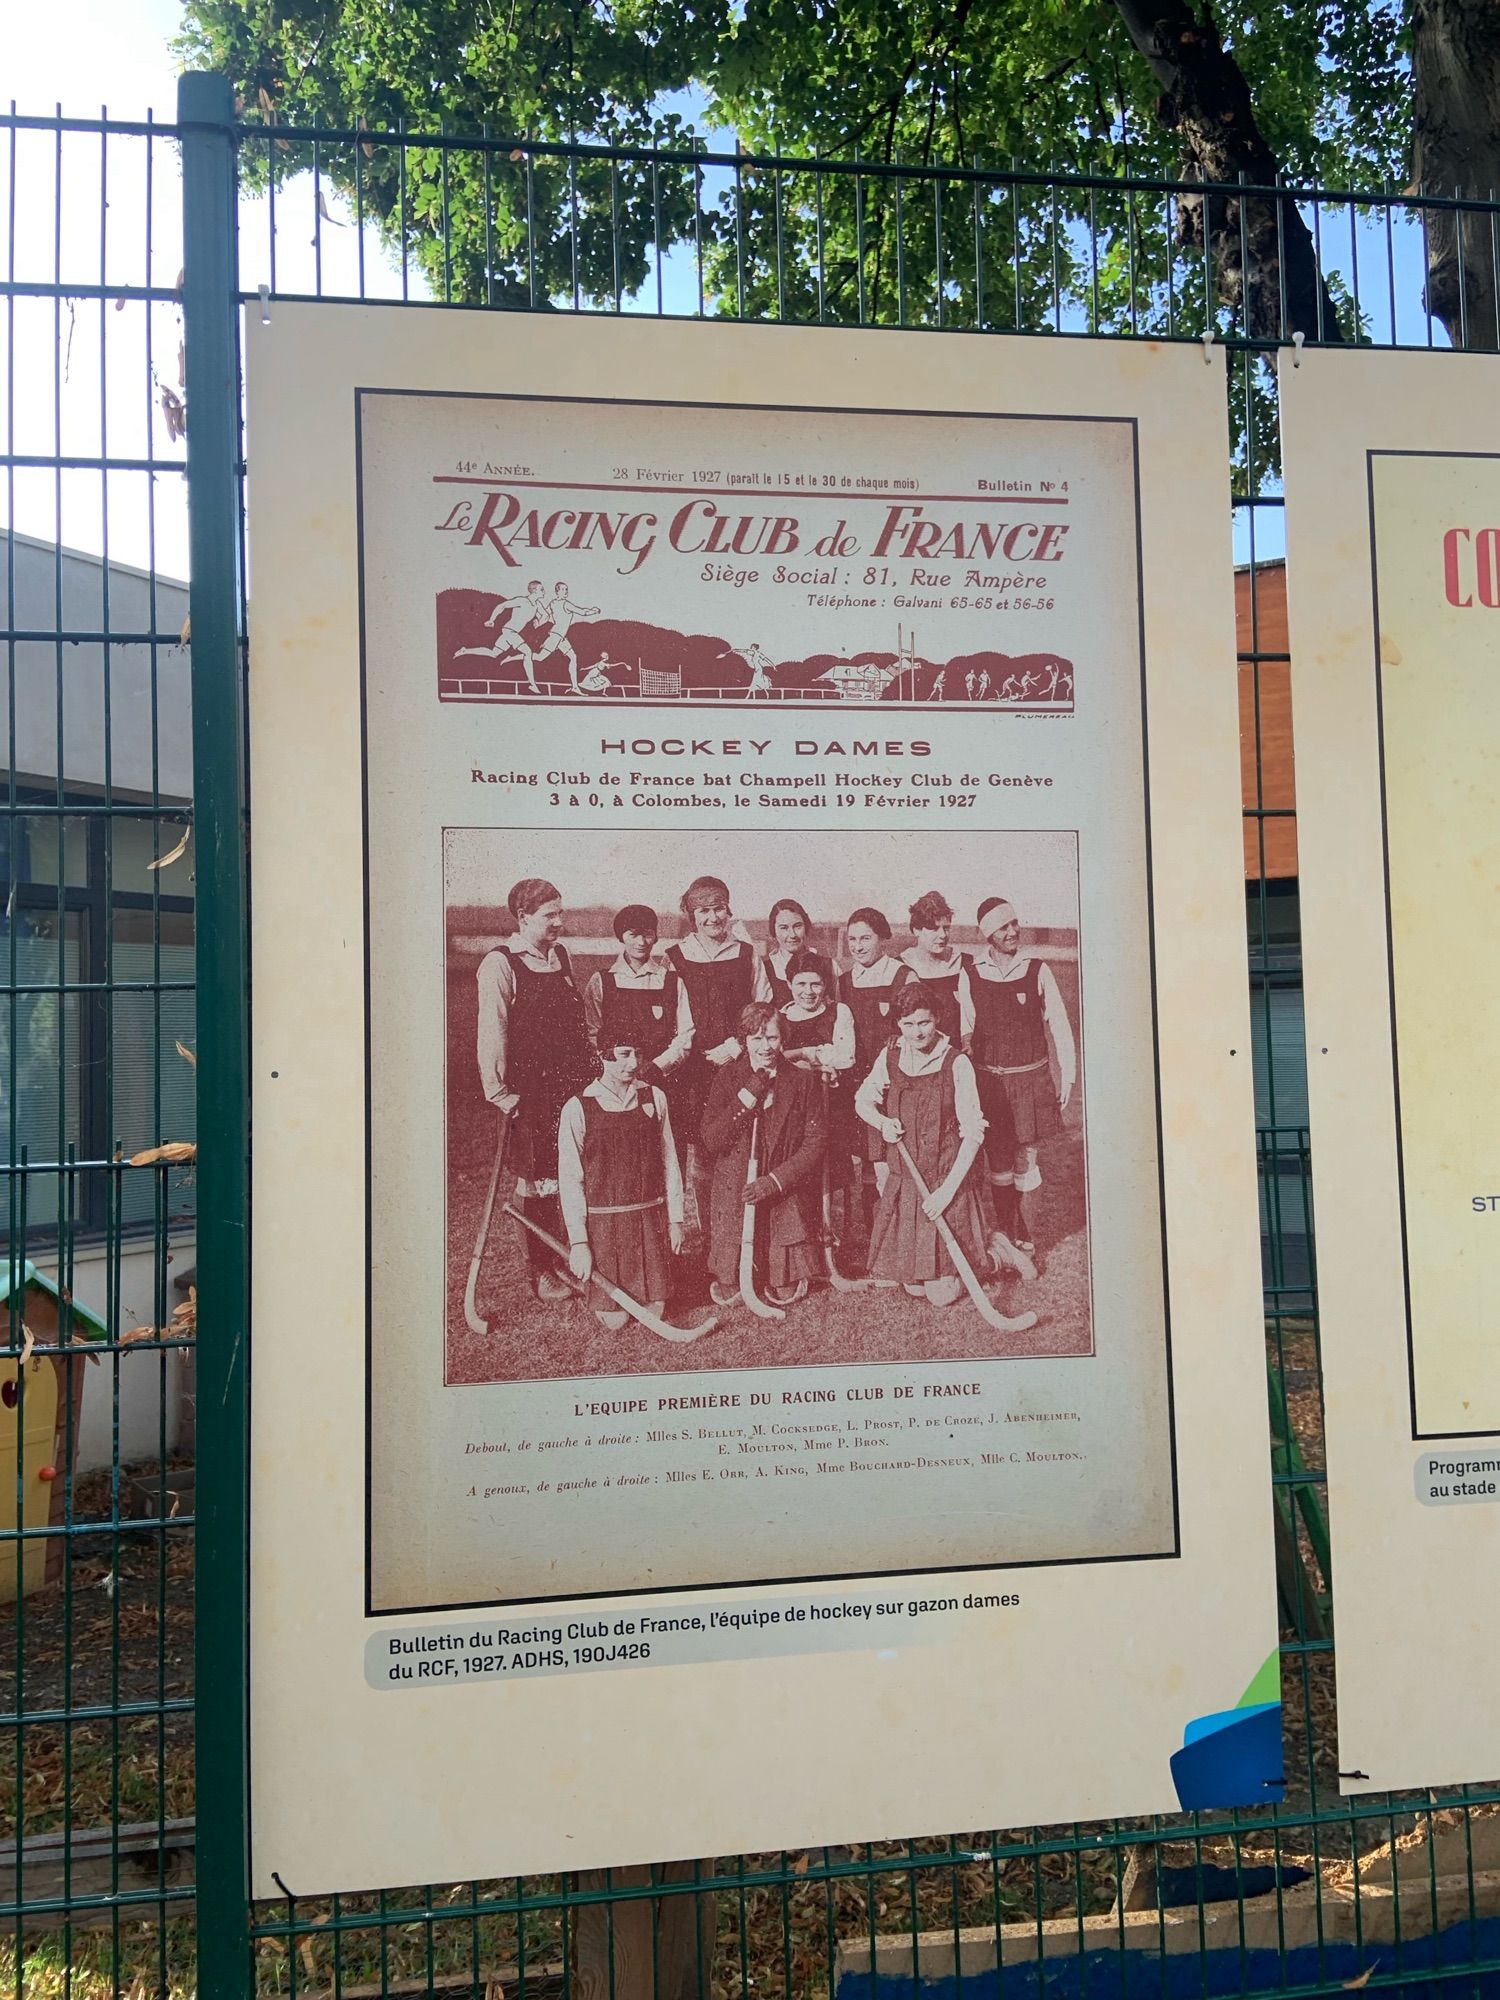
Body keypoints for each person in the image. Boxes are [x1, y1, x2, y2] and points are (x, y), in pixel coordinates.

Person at [475, 878, 596, 1300]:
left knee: (570, 1175)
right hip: (530, 1094)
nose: (559, 923)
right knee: (537, 1181)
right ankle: (541, 1270)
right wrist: (502, 1095)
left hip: (572, 1088)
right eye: (550, 916)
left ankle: (565, 1257)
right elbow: (493, 1034)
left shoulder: (559, 956)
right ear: (523, 918)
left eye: (561, 913)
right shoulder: (500, 963)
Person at [855, 990, 990, 1308]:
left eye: (925, 1022)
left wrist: (946, 1193)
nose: (917, 1031)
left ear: (937, 1019)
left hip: (945, 1184)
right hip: (908, 1186)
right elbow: (863, 1099)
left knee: (940, 1296)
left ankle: (996, 1255)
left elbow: (973, 1134)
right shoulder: (890, 1056)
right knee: (914, 1289)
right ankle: (983, 1254)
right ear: (899, 1024)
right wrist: (882, 1123)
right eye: (909, 1023)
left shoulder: (956, 1062)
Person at [969, 895, 1077, 1268]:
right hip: (991, 1084)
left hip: (1030, 1080)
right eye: (1003, 926)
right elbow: (965, 1030)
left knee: (1026, 1158)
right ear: (987, 934)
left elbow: (1060, 1025)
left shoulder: (1037, 970)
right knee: (997, 1160)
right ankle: (1005, 1233)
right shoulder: (972, 973)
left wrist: (1069, 1073)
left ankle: (1027, 1238)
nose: (1013, 931)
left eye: (1014, 923)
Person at [702, 1003, 827, 1307]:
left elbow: (814, 1144)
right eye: (756, 1039)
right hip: (737, 1192)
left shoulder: (802, 1081)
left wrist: (773, 1181)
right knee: (731, 1288)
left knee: (785, 1286)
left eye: (772, 1038)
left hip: (781, 1190)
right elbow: (712, 1140)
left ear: (783, 1038)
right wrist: (751, 1090)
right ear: (744, 1040)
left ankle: (780, 1268)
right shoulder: (727, 1078)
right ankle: (734, 1268)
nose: (765, 1047)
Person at [557, 1037, 685, 1331]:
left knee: (655, 1313)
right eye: (624, 1054)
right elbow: (570, 1179)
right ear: (603, 1056)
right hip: (604, 1230)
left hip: (648, 1221)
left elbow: (670, 1162)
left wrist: (676, 1220)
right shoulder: (578, 1107)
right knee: (616, 1321)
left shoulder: (655, 1097)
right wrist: (579, 1243)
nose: (634, 1063)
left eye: (639, 1054)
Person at [665, 877, 771, 1230]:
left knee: (738, 1148)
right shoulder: (675, 957)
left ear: (729, 910)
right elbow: (671, 1018)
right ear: (691, 915)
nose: (713, 918)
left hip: (736, 1068)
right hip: (691, 1072)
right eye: (704, 911)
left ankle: (739, 1232)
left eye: (719, 909)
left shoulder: (745, 954)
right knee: (700, 1156)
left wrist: (737, 1045)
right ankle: (710, 1235)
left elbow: (764, 1008)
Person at [839, 907, 906, 1213]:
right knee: (865, 1158)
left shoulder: (901, 974)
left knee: (887, 1160)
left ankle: (892, 1228)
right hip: (855, 1083)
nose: (858, 946)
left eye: (865, 937)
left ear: (883, 939)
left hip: (890, 1084)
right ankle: (869, 1231)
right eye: (853, 939)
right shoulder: (843, 981)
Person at [583, 904, 693, 1088]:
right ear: (621, 937)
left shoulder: (671, 981)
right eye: (633, 935)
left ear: (655, 937)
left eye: (648, 934)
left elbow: (685, 1034)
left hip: (662, 1081)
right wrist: (615, 1068)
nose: (641, 942)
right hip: (614, 1079)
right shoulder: (602, 981)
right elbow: (592, 1032)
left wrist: (657, 1067)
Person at [899, 890, 974, 1047]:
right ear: (916, 930)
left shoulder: (965, 963)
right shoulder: (900, 967)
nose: (942, 935)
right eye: (934, 928)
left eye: (946, 928)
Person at [454, 588, 541, 686]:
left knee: (493, 653)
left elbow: (534, 615)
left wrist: (536, 619)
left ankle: (465, 650)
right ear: (534, 591)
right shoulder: (522, 600)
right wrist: (492, 619)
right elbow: (502, 605)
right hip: (510, 631)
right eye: (541, 589)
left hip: (511, 632)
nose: (544, 591)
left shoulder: (535, 605)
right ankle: (532, 684)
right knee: (527, 652)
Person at [763, 898, 836, 1009]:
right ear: (773, 930)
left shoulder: (830, 965)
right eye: (784, 928)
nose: (792, 934)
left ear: (806, 927)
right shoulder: (764, 969)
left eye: (798, 926)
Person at [531, 579, 600, 692]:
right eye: (563, 589)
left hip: (560, 637)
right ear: (557, 591)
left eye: (566, 589)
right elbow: (582, 612)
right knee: (539, 657)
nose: (566, 591)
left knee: (573, 657)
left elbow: (545, 615)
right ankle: (516, 657)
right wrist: (594, 611)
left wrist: (538, 622)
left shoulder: (553, 603)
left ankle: (575, 687)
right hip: (556, 636)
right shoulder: (565, 604)